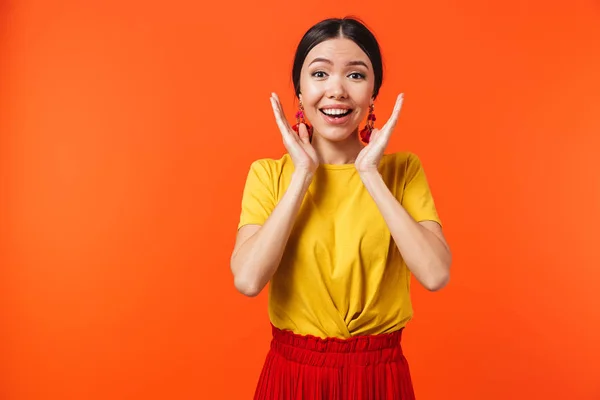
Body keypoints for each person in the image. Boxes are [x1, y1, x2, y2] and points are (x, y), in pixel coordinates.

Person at [230, 16, 452, 400]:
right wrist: (302, 174)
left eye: (355, 75)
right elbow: (248, 280)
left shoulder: (402, 171)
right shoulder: (269, 175)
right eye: (319, 74)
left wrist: (369, 173)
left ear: (372, 92)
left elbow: (435, 274)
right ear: (298, 91)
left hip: (379, 377)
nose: (336, 90)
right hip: (294, 376)